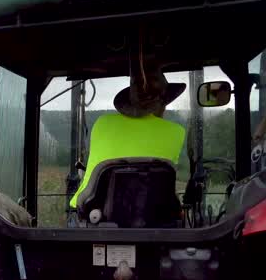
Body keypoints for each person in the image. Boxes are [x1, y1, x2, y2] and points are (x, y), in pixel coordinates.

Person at [69, 69, 187, 209]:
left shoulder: (102, 123)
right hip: (152, 218)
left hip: (92, 214)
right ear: (162, 104)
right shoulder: (176, 132)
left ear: (129, 102)